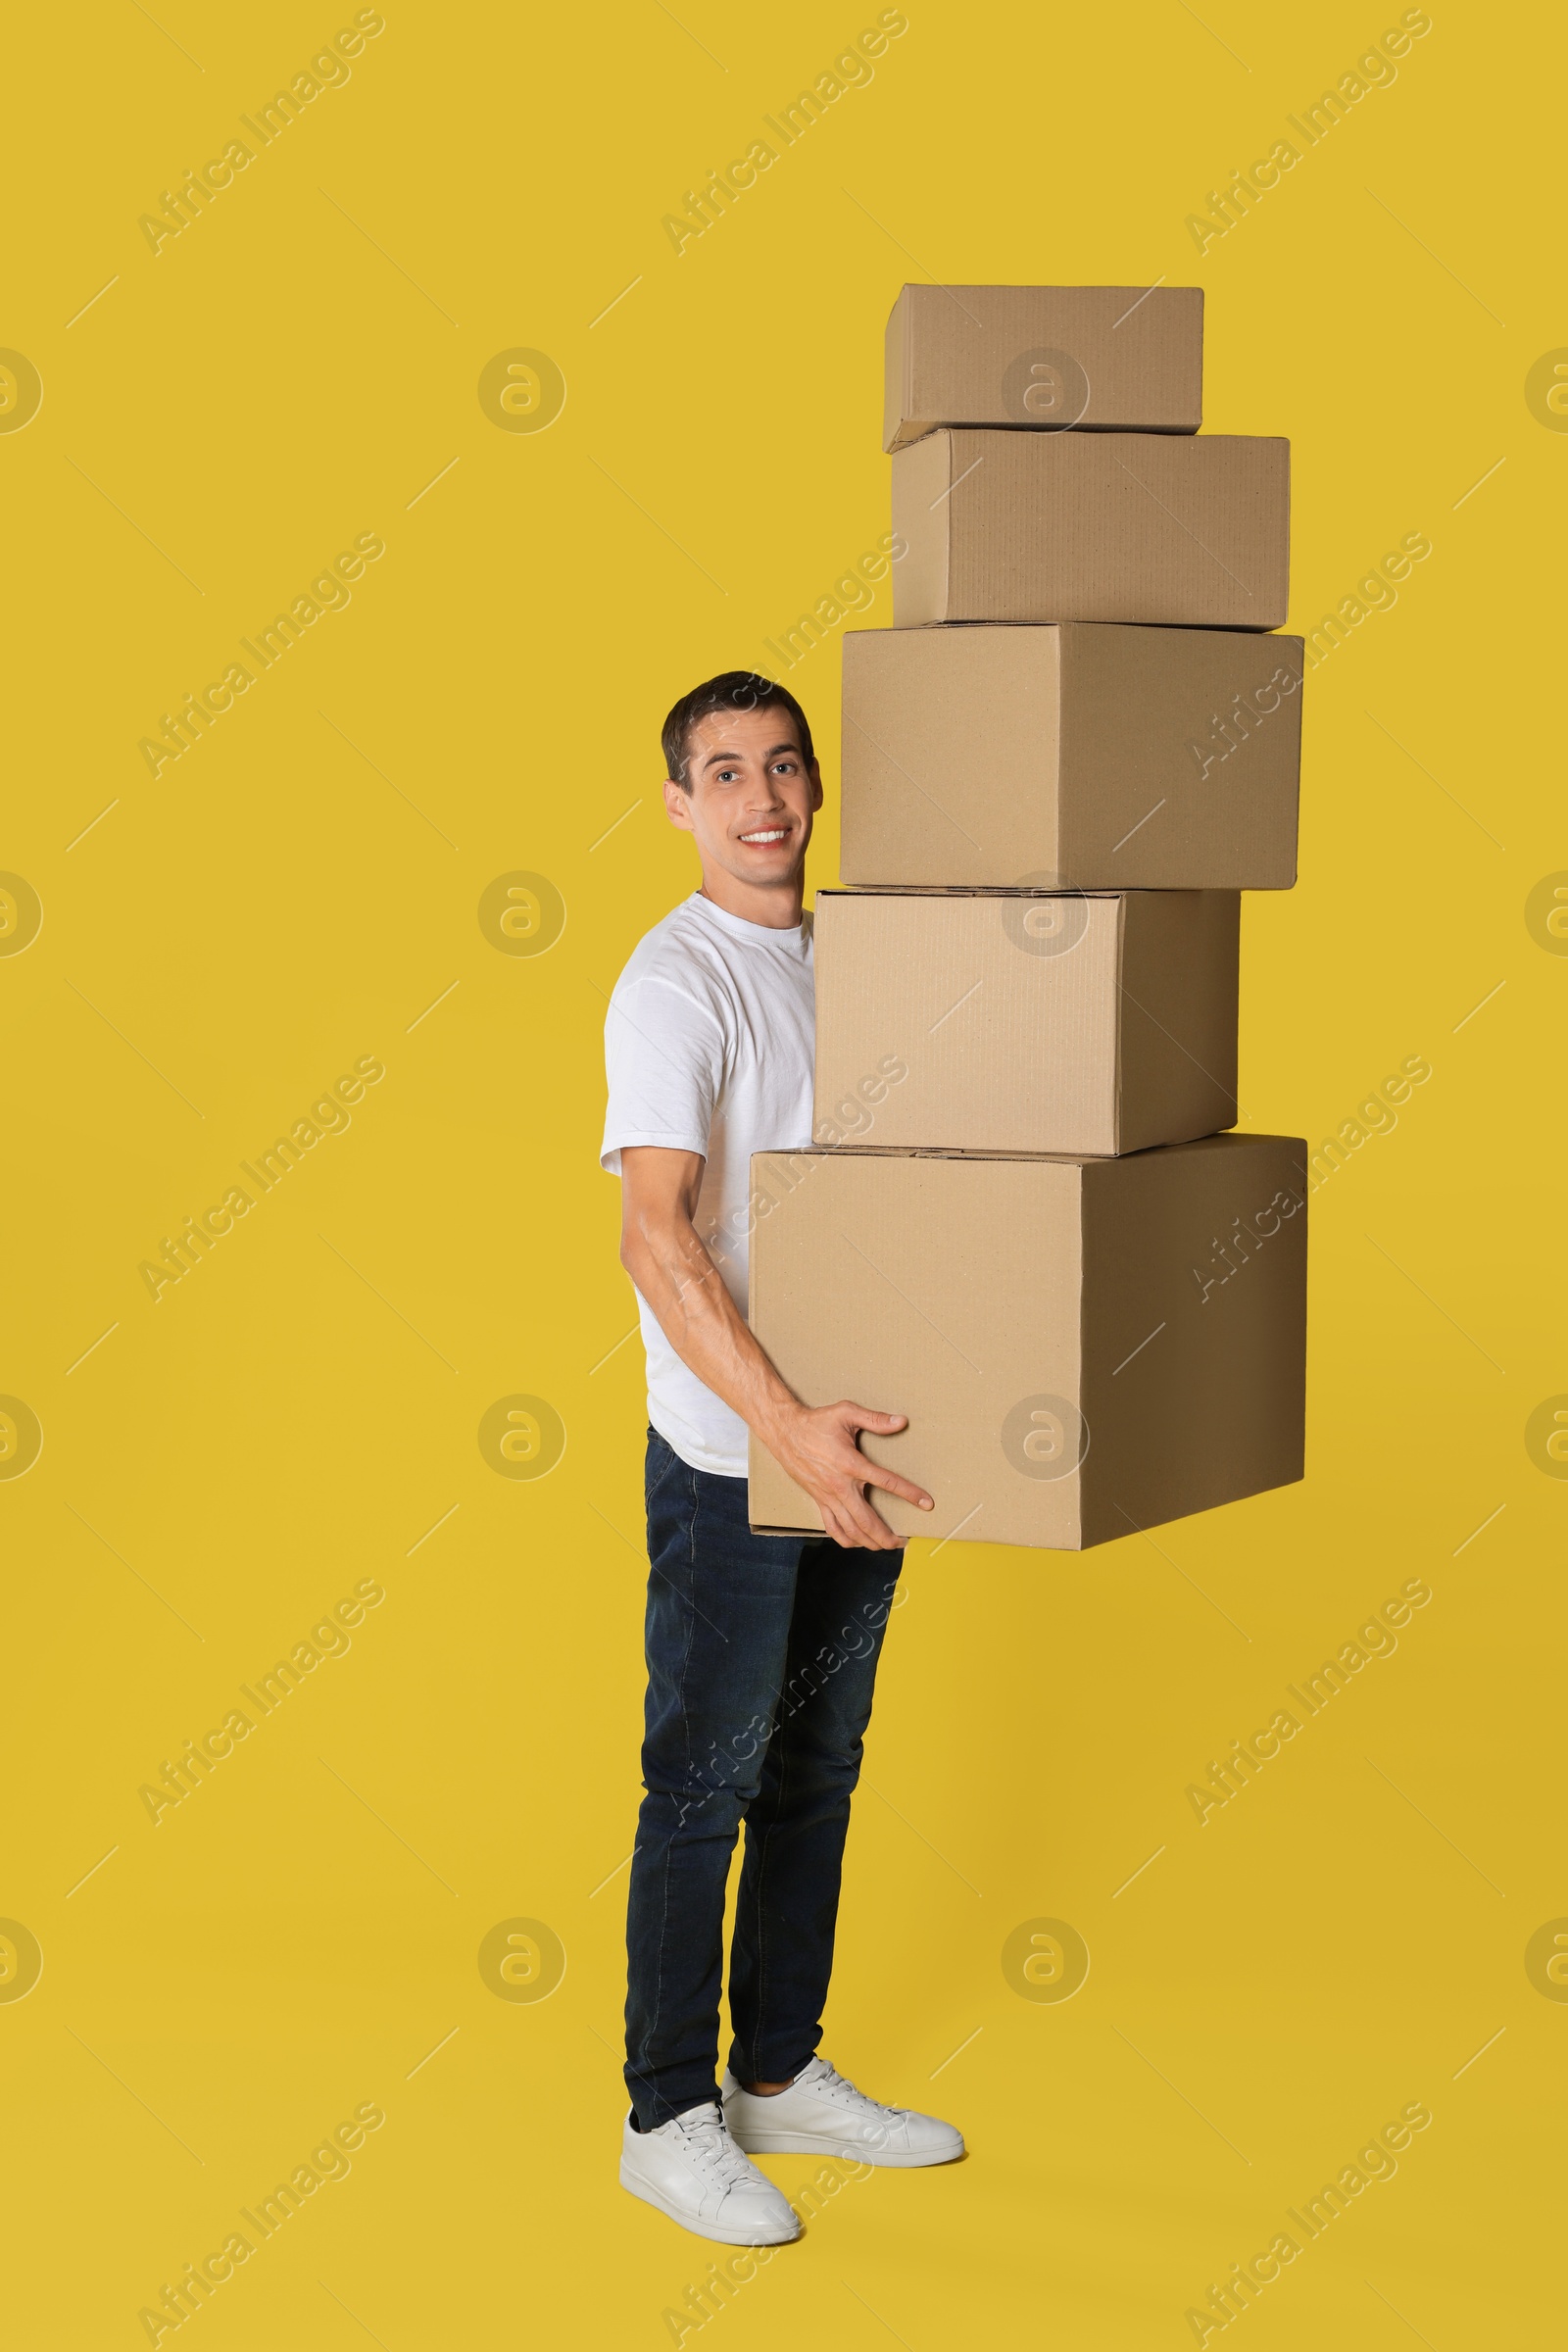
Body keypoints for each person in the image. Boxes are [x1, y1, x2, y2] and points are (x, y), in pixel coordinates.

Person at [601, 670, 963, 2245]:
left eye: (786, 767)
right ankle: (668, 2115)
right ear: (679, 802)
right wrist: (782, 1431)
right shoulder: (678, 984)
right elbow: (652, 1235)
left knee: (816, 1772)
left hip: (854, 1436)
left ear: (815, 788)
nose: (763, 800)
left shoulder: (848, 958)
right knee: (706, 1783)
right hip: (737, 1453)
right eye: (725, 772)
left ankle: (779, 2073)